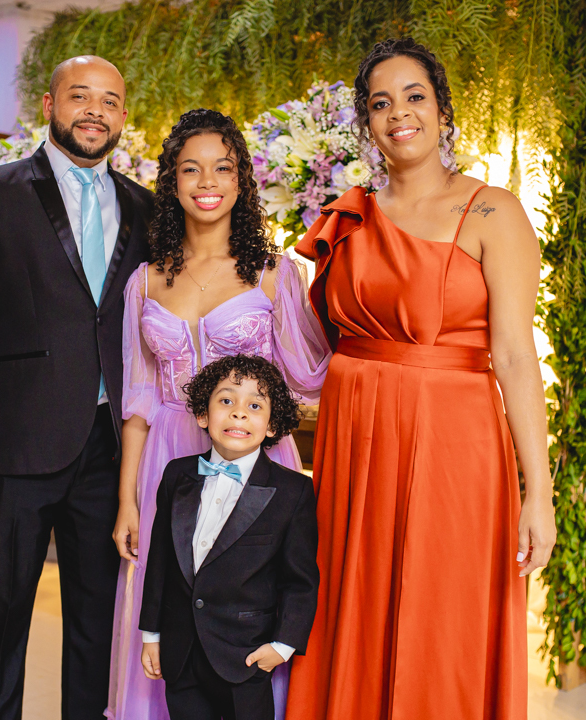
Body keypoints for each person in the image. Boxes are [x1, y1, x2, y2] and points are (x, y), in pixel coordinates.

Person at [284, 38, 556, 720]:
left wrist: (539, 493)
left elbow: (516, 357)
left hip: (453, 446)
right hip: (354, 443)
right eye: (381, 103)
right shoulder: (348, 216)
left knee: (442, 612)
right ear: (366, 123)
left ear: (443, 110)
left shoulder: (493, 211)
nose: (399, 113)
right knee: (354, 599)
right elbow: (314, 342)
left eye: (414, 97)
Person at [0, 55, 154, 720]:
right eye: (80, 96)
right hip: (11, 449)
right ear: (51, 105)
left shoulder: (144, 206)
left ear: (123, 116)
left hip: (109, 451)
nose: (94, 111)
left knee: (96, 629)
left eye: (109, 101)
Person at [108, 109, 330, 720]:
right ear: (172, 182)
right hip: (167, 458)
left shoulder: (273, 274)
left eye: (223, 167)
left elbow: (311, 378)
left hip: (255, 455)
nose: (207, 182)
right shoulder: (144, 282)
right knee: (170, 599)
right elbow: (138, 402)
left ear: (241, 180)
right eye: (191, 169)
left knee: (252, 595)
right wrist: (128, 499)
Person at [139, 355, 319, 720]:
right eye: (226, 400)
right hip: (181, 653)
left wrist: (283, 645)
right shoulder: (176, 475)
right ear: (203, 415)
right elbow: (159, 561)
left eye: (255, 406)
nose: (238, 413)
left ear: (272, 425)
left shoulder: (292, 491)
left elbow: (299, 579)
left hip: (246, 656)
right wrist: (151, 635)